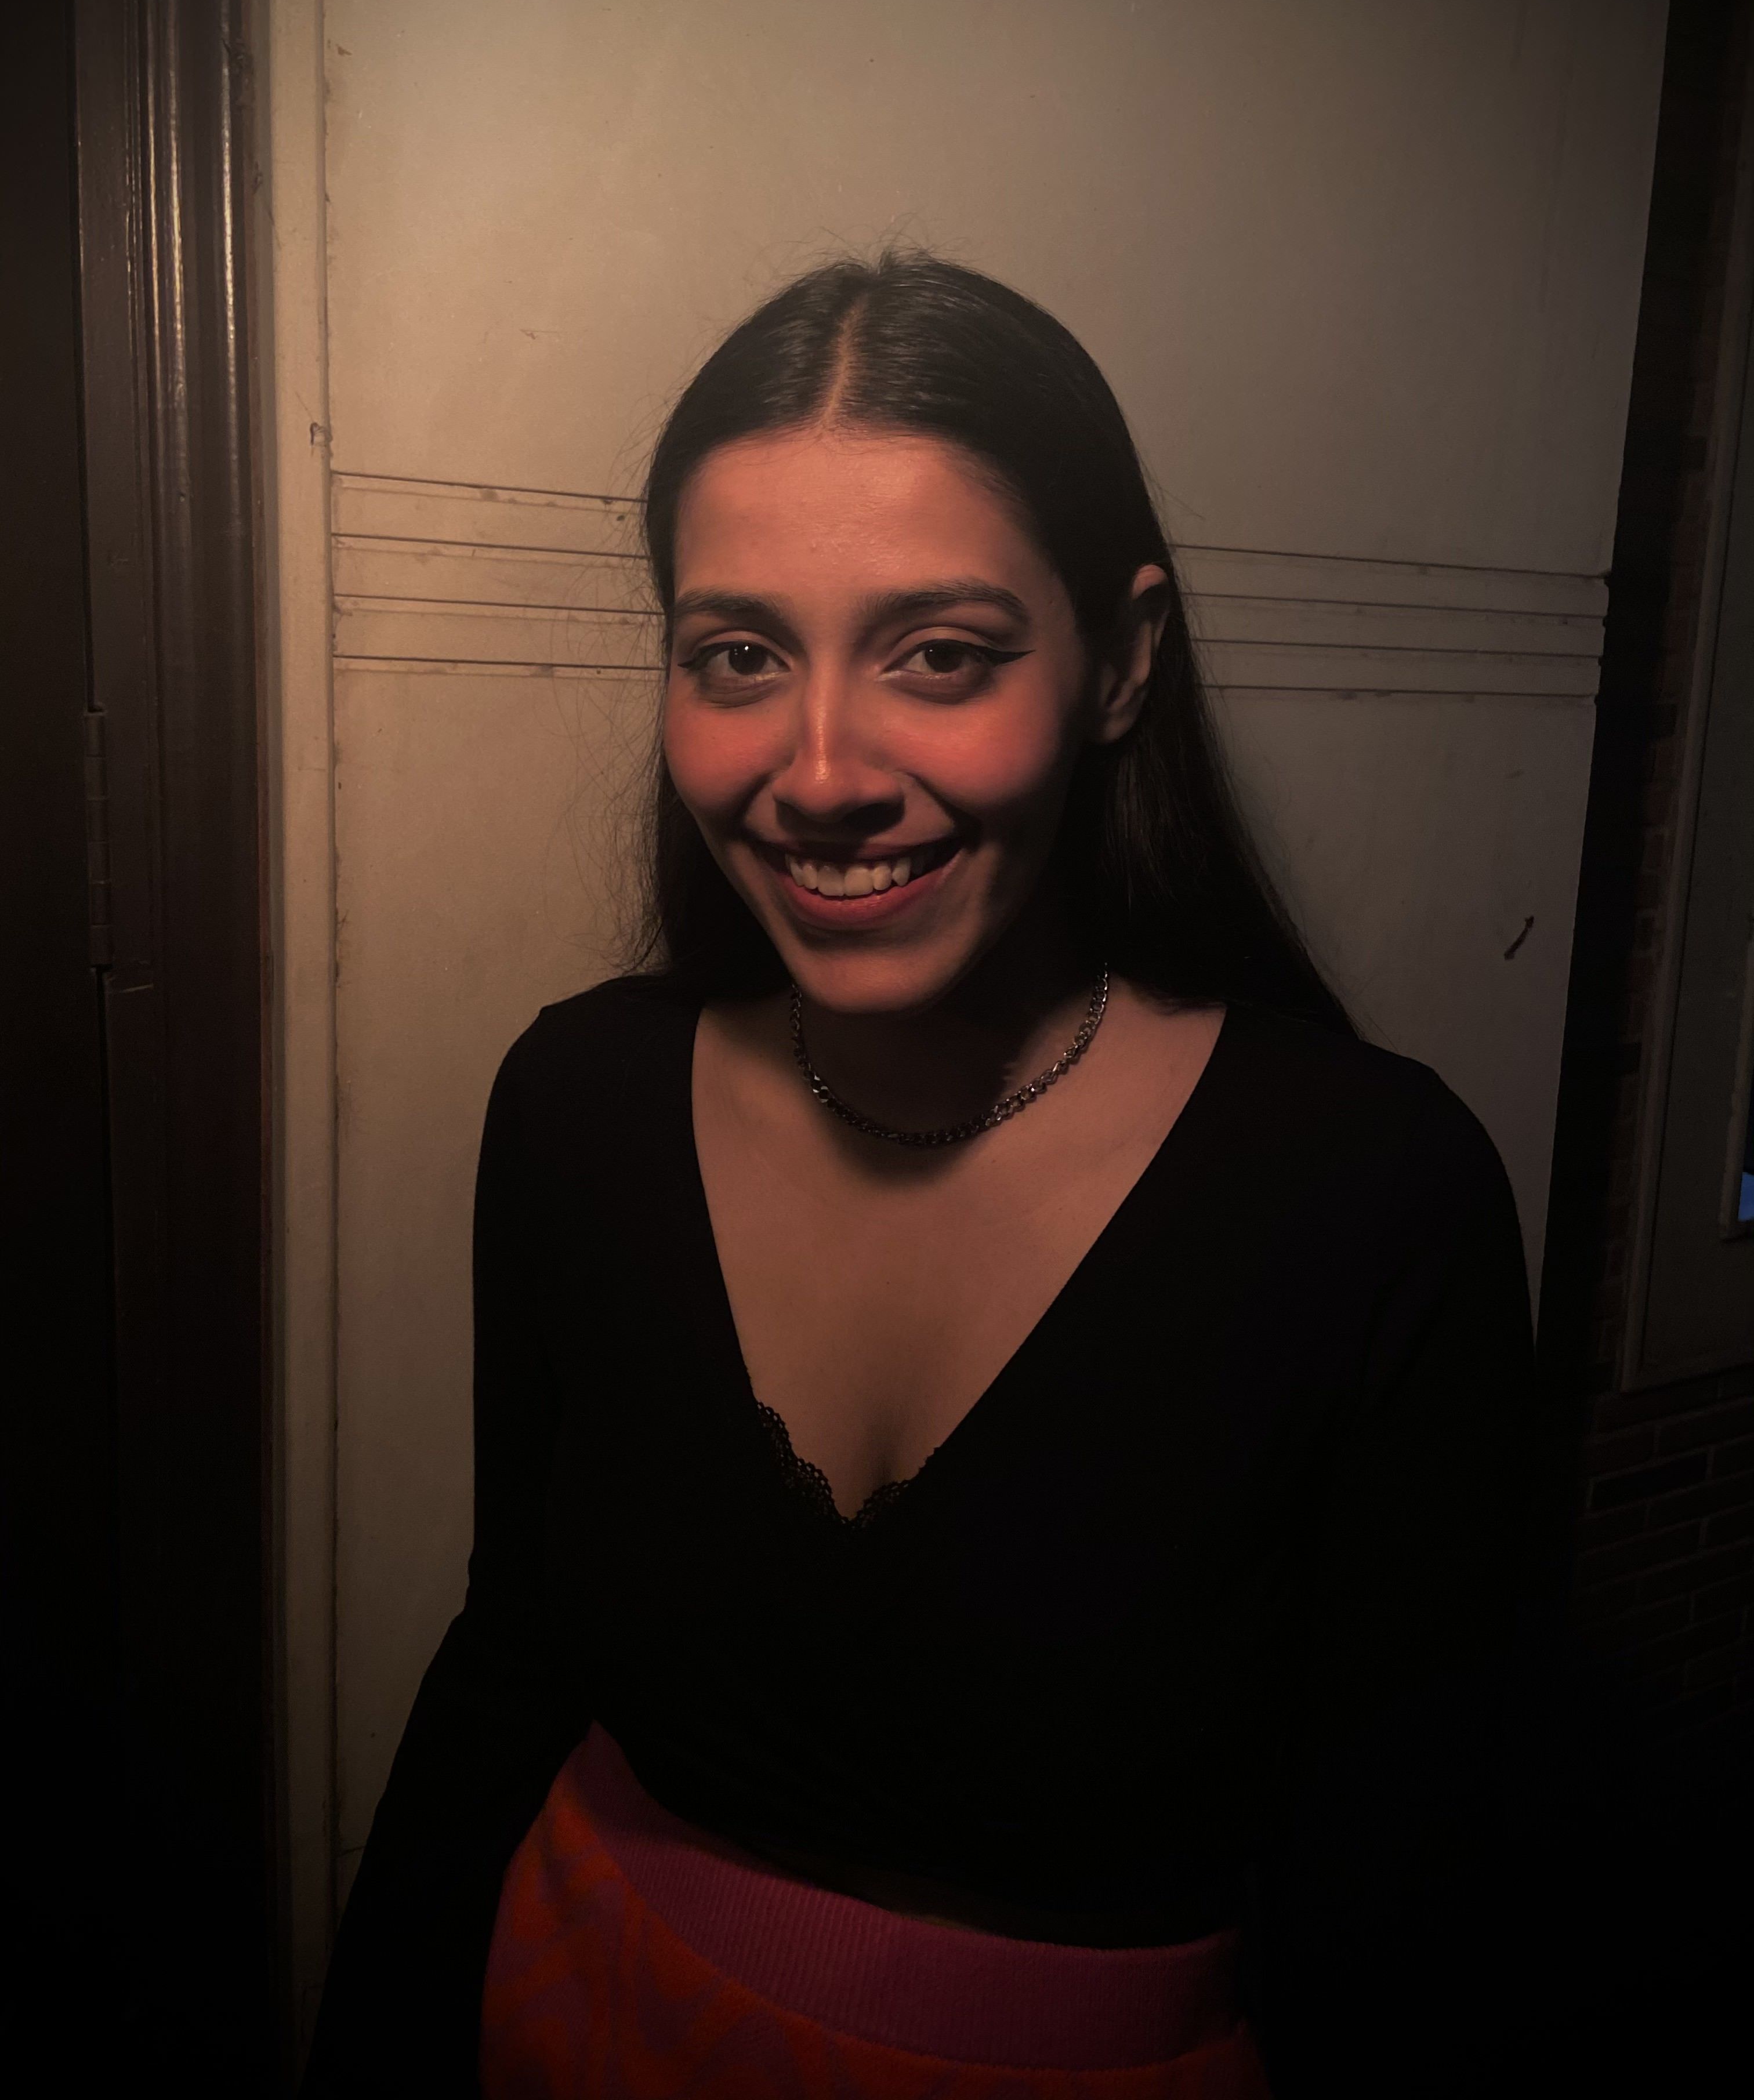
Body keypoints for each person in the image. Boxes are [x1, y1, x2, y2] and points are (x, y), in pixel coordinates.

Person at [302, 253, 1533, 2098]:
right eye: (739, 656)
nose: (819, 774)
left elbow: (1407, 1895)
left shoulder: (1373, 1197)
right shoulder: (578, 1105)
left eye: (940, 654)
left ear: (1122, 660)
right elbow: (512, 1664)